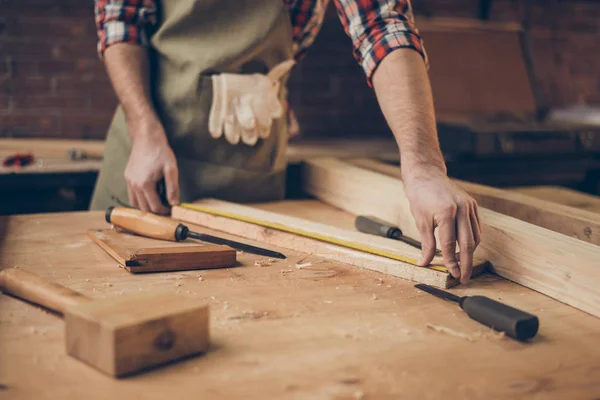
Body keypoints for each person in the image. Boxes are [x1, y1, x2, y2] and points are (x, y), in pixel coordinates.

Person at [90, 0, 481, 283]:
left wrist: (424, 166)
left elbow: (382, 26)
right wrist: (143, 128)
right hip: (148, 156)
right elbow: (120, 20)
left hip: (252, 158)